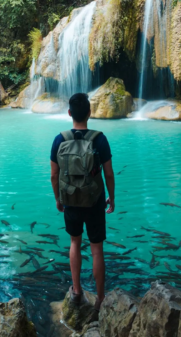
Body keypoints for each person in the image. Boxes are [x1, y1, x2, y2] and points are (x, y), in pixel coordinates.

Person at [50, 93, 115, 311]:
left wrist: (58, 199)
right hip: (94, 200)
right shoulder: (99, 139)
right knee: (97, 249)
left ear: (69, 113)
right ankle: (100, 298)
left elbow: (54, 175)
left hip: (70, 200)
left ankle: (76, 292)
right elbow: (109, 174)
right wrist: (111, 199)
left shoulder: (59, 140)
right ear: (89, 113)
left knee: (75, 243)